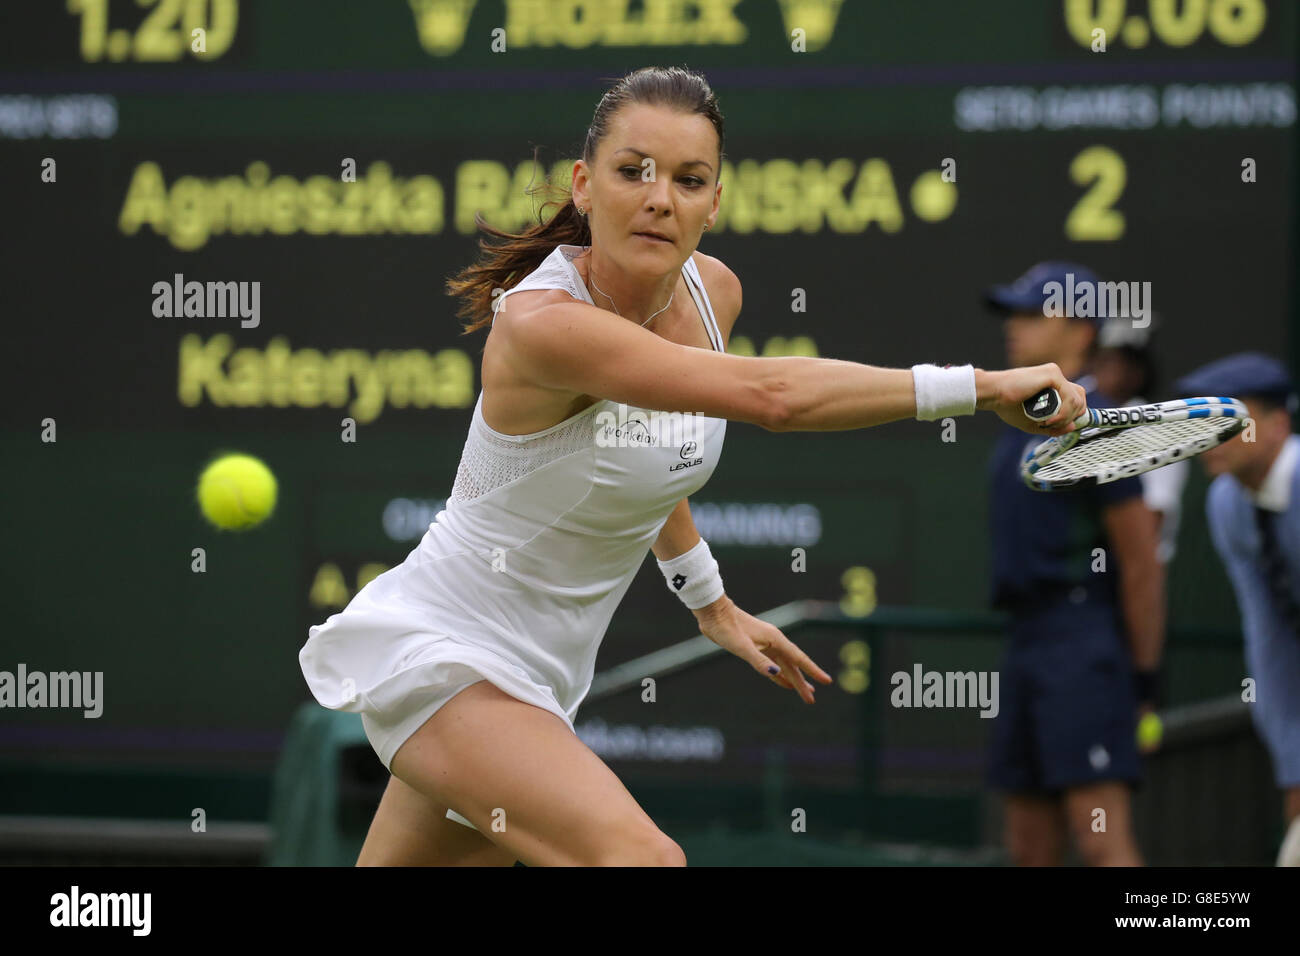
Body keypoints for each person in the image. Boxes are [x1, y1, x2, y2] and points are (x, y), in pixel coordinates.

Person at [297, 66, 1087, 867]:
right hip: (446, 657)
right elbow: (774, 395)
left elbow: (643, 461)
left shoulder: (715, 293)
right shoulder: (543, 326)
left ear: (715, 202)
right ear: (583, 185)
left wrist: (709, 601)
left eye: (688, 180)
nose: (659, 198)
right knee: (646, 862)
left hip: (538, 683)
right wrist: (981, 390)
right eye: (631, 171)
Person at [983, 262, 1166, 866]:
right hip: (1026, 641)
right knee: (1028, 847)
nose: (1016, 327)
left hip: (1083, 645)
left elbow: (1141, 562)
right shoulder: (1018, 413)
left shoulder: (1104, 421)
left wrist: (1143, 680)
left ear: (1082, 330)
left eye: (1035, 313)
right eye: (1014, 312)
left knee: (1101, 841)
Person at [1174, 352, 1300, 867]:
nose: (1210, 433)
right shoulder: (1227, 504)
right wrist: (1294, 767)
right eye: (1202, 419)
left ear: (1277, 425)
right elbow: (1270, 641)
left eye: (1229, 418)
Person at [1091, 315, 1189, 564]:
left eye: (1108, 361)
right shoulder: (1087, 424)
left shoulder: (1160, 430)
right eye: (1095, 360)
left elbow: (1153, 520)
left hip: (1129, 575)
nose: (1095, 370)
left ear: (1137, 372)